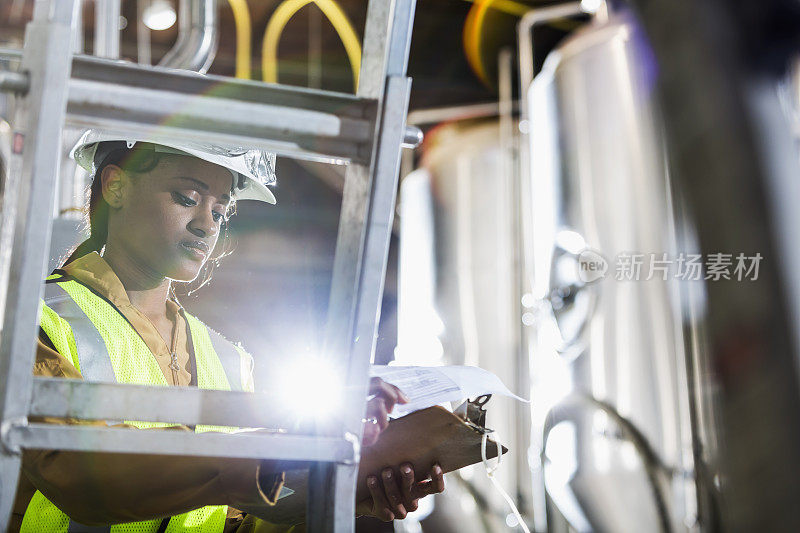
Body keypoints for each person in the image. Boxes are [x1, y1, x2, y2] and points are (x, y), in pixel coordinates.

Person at [12, 132, 444, 532]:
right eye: (187, 198)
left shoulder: (229, 361)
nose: (207, 224)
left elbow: (237, 519)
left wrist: (336, 489)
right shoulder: (32, 321)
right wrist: (272, 445)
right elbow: (75, 470)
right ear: (115, 186)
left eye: (220, 210)